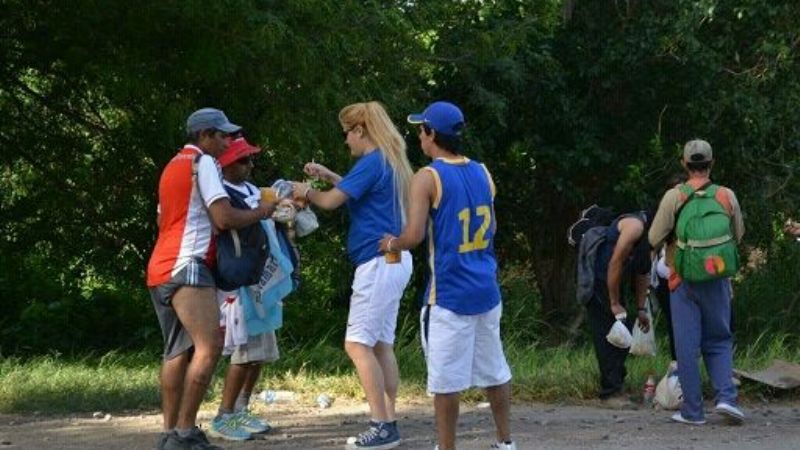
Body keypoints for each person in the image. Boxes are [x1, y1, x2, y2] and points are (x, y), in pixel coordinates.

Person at [378, 101, 517, 450]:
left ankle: (447, 447)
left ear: (431, 134)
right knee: (495, 371)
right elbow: (493, 226)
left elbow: (413, 237)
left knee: (445, 382)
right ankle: (505, 442)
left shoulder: (428, 177)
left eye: (421, 130)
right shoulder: (483, 172)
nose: (418, 137)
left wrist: (390, 243)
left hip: (449, 294)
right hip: (485, 288)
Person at [147, 109, 276, 450]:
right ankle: (186, 432)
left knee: (176, 351)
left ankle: (169, 434)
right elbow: (223, 218)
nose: (227, 142)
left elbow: (163, 219)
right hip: (189, 264)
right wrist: (263, 212)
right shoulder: (203, 164)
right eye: (222, 135)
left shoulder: (172, 165)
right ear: (204, 135)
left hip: (160, 267)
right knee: (210, 346)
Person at [292, 101, 413, 449]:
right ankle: (389, 418)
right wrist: (330, 176)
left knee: (357, 343)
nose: (346, 141)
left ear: (360, 130)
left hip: (376, 263)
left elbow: (331, 202)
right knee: (380, 344)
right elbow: (357, 193)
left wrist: (306, 191)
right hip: (395, 260)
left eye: (347, 133)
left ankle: (382, 425)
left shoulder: (371, 161)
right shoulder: (388, 161)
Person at [649, 139, 745, 425]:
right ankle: (727, 398)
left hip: (683, 280)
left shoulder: (674, 197)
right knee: (719, 339)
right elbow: (737, 235)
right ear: (711, 163)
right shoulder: (726, 196)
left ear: (684, 164)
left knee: (687, 346)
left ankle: (693, 411)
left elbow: (653, 238)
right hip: (717, 278)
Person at [206, 137, 282, 442]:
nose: (250, 166)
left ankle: (241, 408)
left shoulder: (253, 191)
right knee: (243, 351)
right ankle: (225, 414)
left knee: (261, 351)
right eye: (243, 160)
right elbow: (224, 222)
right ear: (225, 164)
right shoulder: (221, 194)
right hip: (238, 281)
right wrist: (261, 212)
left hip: (263, 275)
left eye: (251, 160)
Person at [585, 207, 652, 405]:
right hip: (600, 278)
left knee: (624, 330)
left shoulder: (652, 238)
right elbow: (614, 262)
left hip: (615, 280)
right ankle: (610, 392)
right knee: (606, 330)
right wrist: (614, 302)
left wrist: (641, 308)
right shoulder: (635, 226)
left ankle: (617, 385)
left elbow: (643, 272)